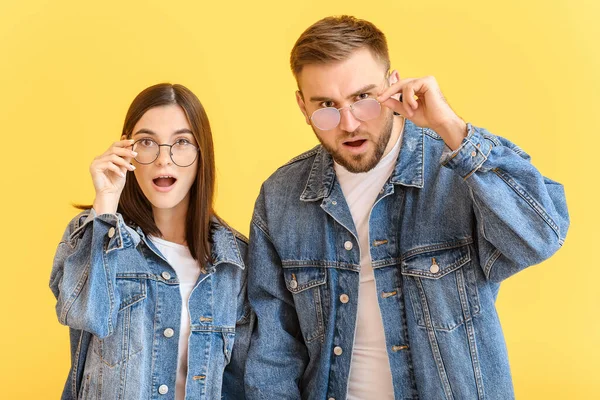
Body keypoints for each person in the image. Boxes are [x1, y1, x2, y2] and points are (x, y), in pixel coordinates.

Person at [244, 16, 570, 400]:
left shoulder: (454, 171)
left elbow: (541, 236)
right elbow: (274, 353)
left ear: (391, 85)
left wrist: (450, 127)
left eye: (363, 98)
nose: (348, 124)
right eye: (327, 106)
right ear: (302, 105)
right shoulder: (281, 196)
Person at [50, 83, 252, 399]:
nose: (163, 159)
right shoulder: (98, 236)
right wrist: (105, 200)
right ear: (126, 151)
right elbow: (84, 313)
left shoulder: (234, 261)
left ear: (202, 155)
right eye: (147, 142)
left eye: (182, 142)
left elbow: (238, 385)